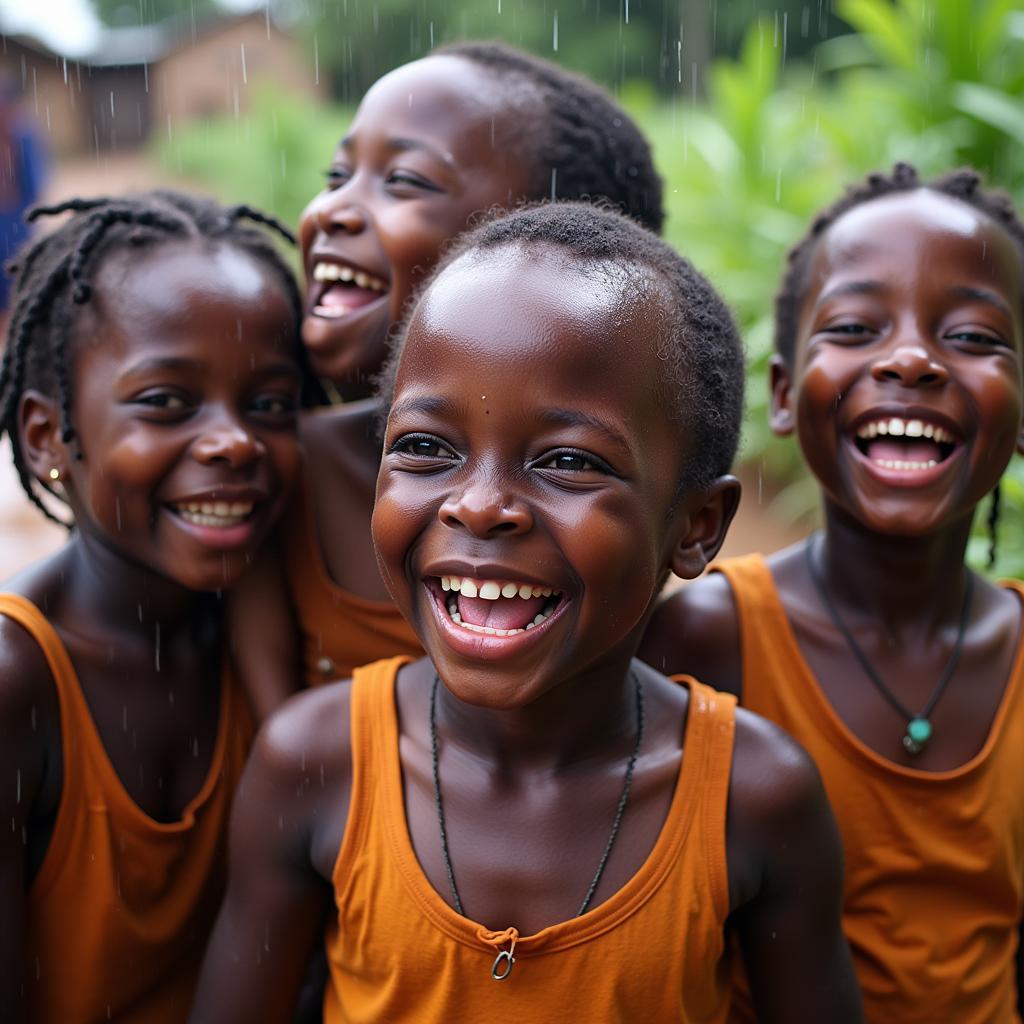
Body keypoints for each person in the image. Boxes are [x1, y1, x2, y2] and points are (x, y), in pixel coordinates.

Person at [190, 203, 862, 1023]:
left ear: (695, 528)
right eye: (425, 447)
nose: (478, 507)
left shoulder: (755, 798)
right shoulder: (315, 761)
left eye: (569, 461)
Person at [640, 163, 1024, 1022]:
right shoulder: (707, 637)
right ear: (782, 393)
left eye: (971, 336)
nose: (913, 359)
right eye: (854, 326)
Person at [230, 41, 666, 720]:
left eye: (402, 180)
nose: (332, 212)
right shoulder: (282, 473)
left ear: (556, 240)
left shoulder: (623, 497)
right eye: (337, 174)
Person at [0, 190, 311, 1022]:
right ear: (48, 437)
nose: (234, 441)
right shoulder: (17, 680)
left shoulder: (276, 623)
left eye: (272, 405)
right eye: (166, 402)